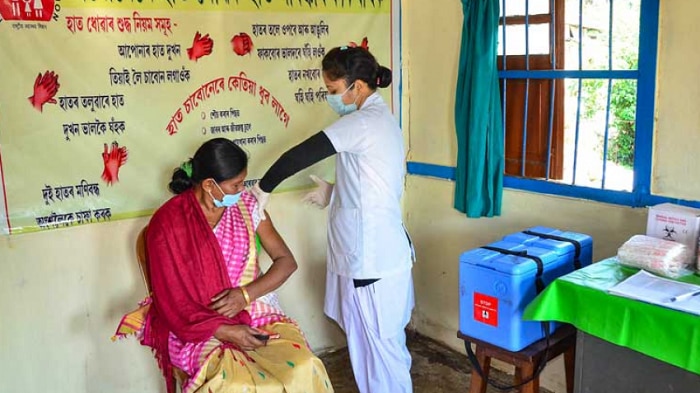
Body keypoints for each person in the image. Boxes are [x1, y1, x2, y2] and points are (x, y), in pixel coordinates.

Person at [251, 46, 415, 393]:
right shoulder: (378, 120)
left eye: (332, 89)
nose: (330, 97)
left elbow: (299, 154)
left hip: (372, 262)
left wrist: (263, 190)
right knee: (373, 352)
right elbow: (373, 182)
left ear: (356, 86)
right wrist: (335, 193)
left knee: (381, 355)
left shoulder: (363, 122)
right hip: (375, 256)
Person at [115, 138, 333, 393]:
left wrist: (245, 295)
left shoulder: (248, 208)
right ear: (210, 185)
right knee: (233, 384)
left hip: (255, 312)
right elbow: (172, 299)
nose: (243, 191)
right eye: (236, 185)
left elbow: (287, 262)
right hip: (195, 325)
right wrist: (222, 330)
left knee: (306, 365)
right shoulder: (168, 223)